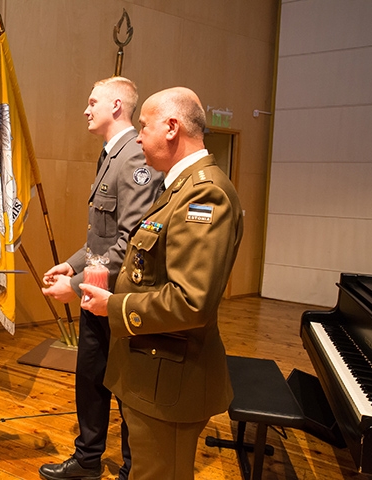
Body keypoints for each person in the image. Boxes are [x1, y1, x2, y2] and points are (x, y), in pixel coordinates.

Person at [80, 87, 244, 480]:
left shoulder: (204, 196)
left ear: (172, 128)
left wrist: (112, 306)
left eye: (143, 126)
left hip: (169, 380)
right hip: (152, 371)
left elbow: (190, 301)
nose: (138, 137)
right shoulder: (178, 188)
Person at [40, 77, 163, 480]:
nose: (86, 110)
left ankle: (132, 468)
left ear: (116, 106)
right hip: (97, 291)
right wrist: (72, 265)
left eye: (93, 102)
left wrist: (75, 285)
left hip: (120, 296)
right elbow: (102, 235)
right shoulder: (110, 155)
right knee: (90, 378)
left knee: (125, 387)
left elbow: (132, 241)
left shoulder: (134, 157)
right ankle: (87, 459)